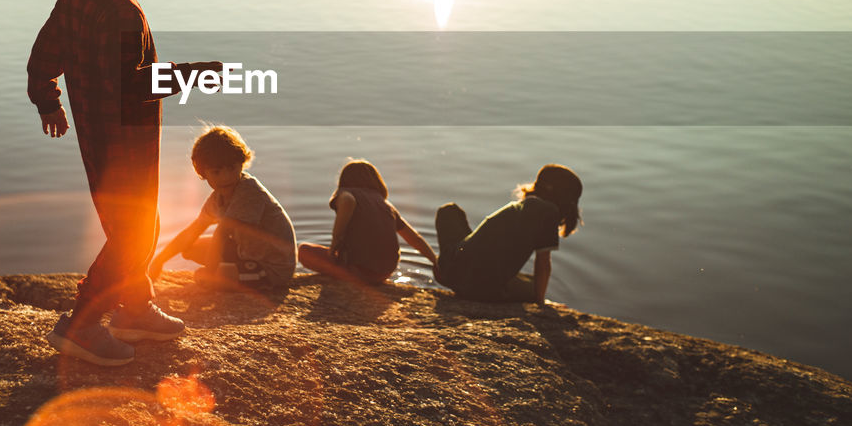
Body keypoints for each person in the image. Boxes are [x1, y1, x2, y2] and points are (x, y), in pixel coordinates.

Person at [27, 0, 221, 366]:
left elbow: (42, 59)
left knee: (138, 229)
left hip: (97, 145)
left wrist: (49, 100)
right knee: (132, 235)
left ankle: (135, 308)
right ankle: (82, 324)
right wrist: (195, 74)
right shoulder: (123, 12)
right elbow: (134, 84)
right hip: (128, 149)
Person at [149, 125, 296, 290]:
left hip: (272, 267)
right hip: (247, 253)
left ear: (241, 164)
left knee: (209, 277)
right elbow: (192, 231)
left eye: (232, 168)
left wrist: (210, 272)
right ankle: (227, 270)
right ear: (203, 173)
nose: (226, 178)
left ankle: (227, 274)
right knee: (191, 248)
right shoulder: (217, 199)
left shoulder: (248, 192)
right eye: (216, 172)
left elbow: (222, 231)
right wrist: (159, 260)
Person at [433, 164, 583, 305]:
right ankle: (480, 284)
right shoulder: (549, 212)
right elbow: (543, 264)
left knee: (449, 211)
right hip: (479, 289)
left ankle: (446, 266)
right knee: (533, 285)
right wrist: (540, 303)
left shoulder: (522, 206)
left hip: (451, 270)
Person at [298, 159, 437, 285]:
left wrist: (335, 242)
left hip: (358, 271)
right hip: (385, 272)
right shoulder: (386, 205)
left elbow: (348, 200)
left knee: (303, 250)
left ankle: (345, 275)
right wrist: (435, 261)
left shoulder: (345, 192)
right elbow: (415, 239)